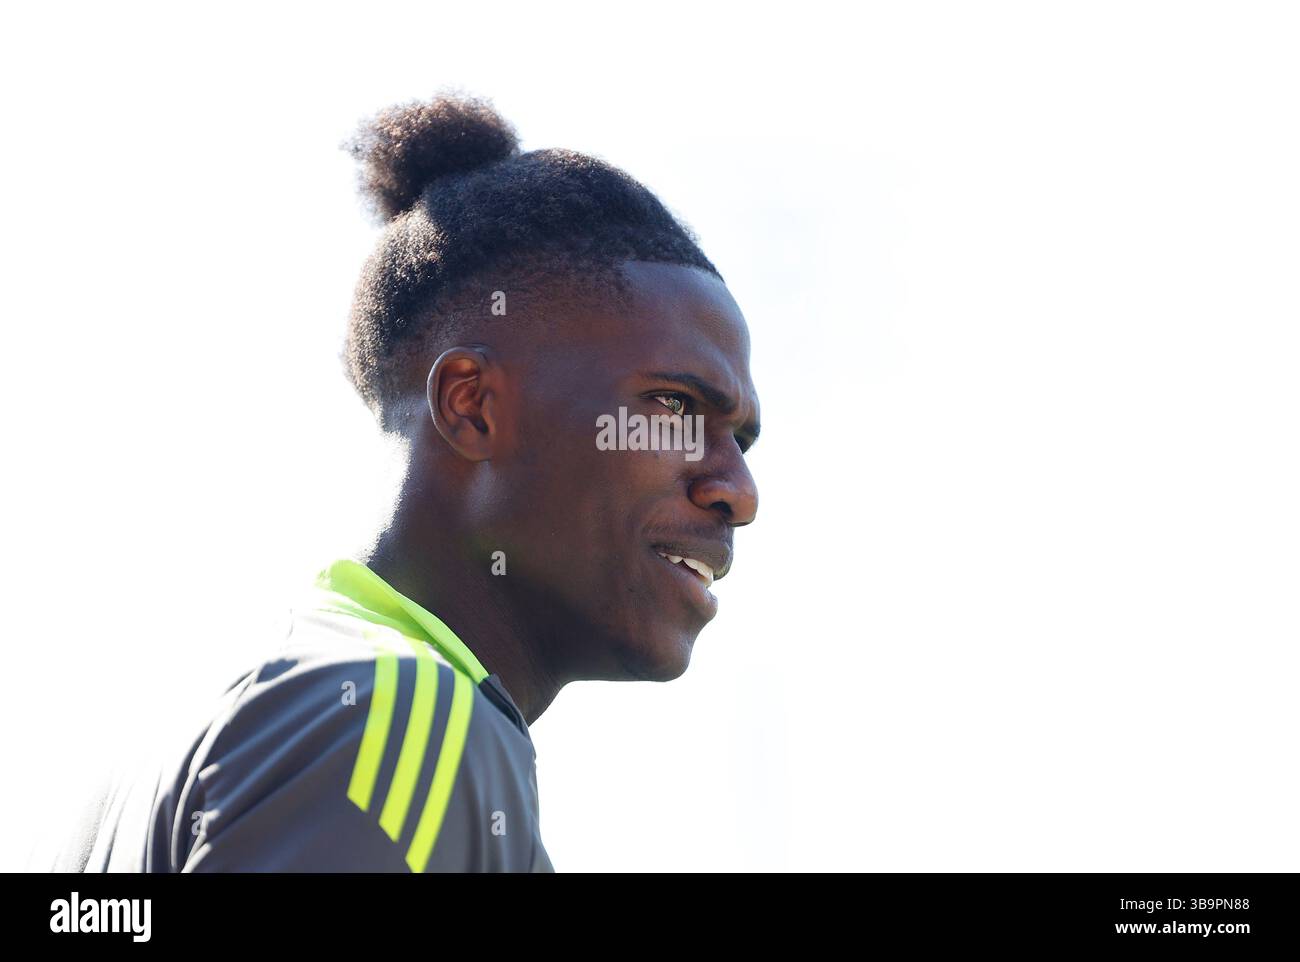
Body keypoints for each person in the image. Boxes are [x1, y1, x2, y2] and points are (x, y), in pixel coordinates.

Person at [50, 94, 761, 872]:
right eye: (675, 407)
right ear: (471, 406)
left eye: (741, 439)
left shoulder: (176, 733)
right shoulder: (398, 719)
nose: (739, 491)